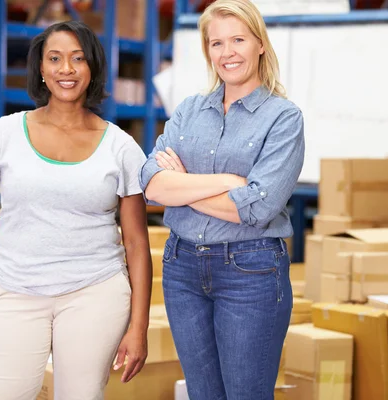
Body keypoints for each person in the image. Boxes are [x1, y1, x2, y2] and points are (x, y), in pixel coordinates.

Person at [0, 21, 152, 399]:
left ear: (93, 68)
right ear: (41, 69)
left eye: (77, 59)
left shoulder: (121, 146)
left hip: (95, 292)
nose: (66, 69)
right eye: (55, 58)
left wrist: (138, 328)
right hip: (15, 291)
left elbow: (135, 244)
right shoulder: (6, 132)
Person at [139, 0, 305, 398]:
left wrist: (184, 185)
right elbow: (151, 185)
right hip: (181, 269)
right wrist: (226, 182)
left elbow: (257, 207)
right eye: (216, 43)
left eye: (238, 40)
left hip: (250, 273)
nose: (227, 53)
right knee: (203, 394)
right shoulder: (189, 110)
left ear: (259, 44)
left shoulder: (283, 118)